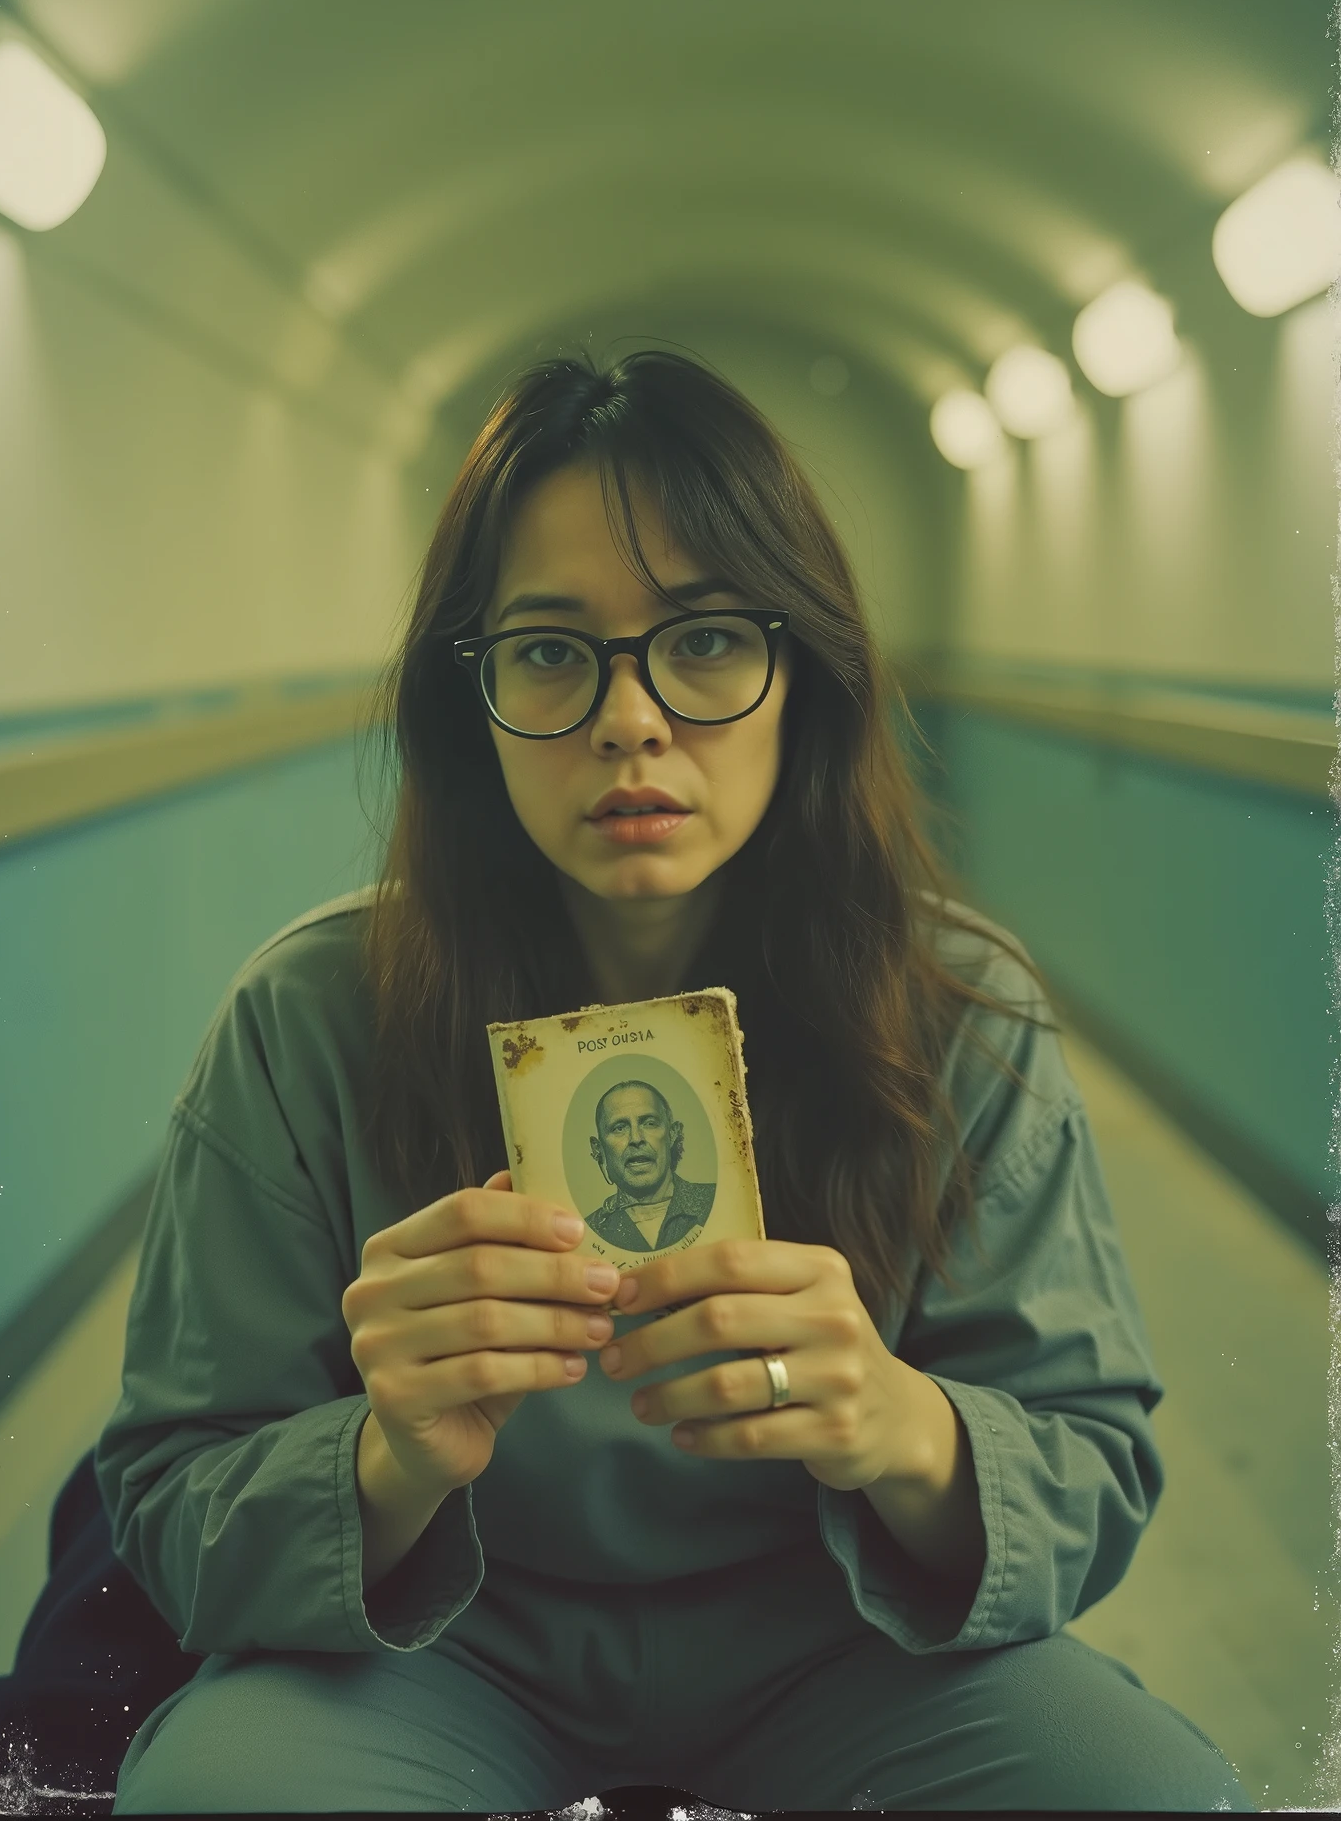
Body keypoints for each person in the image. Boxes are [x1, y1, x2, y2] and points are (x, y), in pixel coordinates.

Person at [95, 348, 1252, 1812]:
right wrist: (388, 1458)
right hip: (441, 1654)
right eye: (551, 651)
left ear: (804, 682)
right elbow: (165, 1500)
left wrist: (900, 1423)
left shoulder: (961, 1014)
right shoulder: (308, 1019)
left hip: (842, 1642)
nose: (630, 719)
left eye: (705, 640)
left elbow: (1092, 1466)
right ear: (474, 702)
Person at [584, 1078, 715, 1252]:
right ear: (598, 1148)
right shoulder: (588, 1232)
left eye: (649, 1123)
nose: (636, 1139)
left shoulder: (715, 1201)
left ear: (672, 1134)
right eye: (619, 1128)